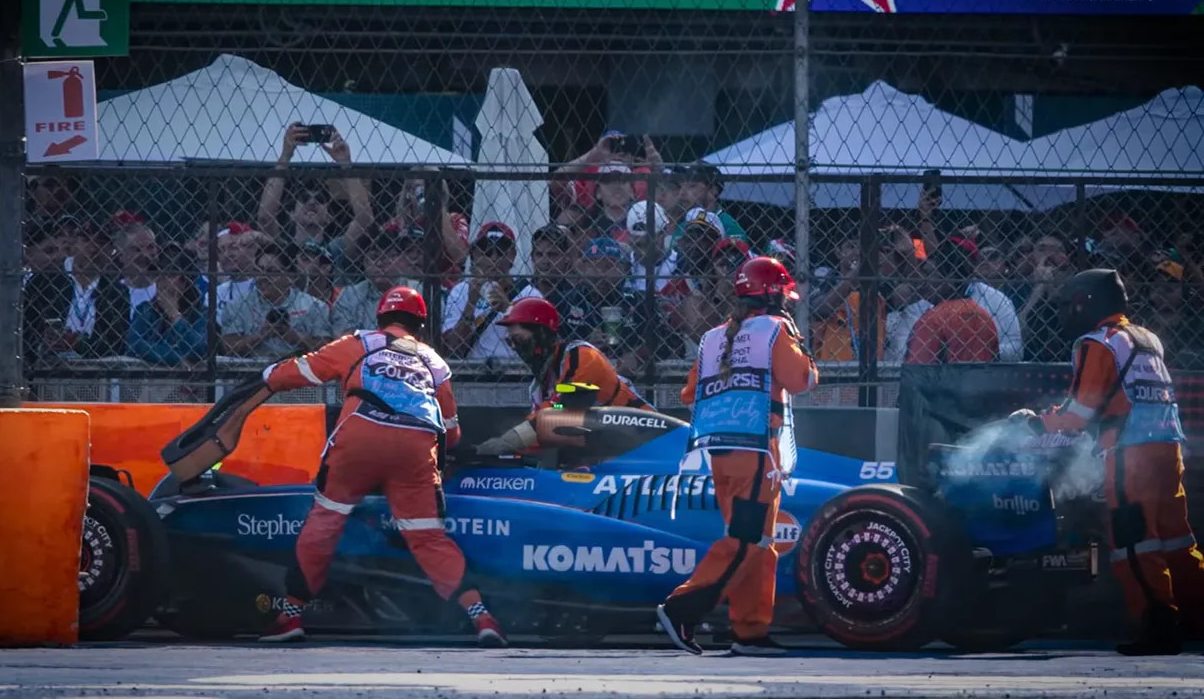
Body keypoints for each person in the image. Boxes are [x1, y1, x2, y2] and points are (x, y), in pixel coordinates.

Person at [257, 286, 508, 648]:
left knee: (326, 520)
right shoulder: (433, 360)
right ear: (420, 324)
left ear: (380, 319)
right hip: (416, 452)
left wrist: (265, 378)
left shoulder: (358, 343)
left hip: (358, 442)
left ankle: (290, 615)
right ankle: (481, 615)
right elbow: (452, 431)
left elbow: (303, 370)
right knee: (428, 538)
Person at [1009, 268, 1204, 656]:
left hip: (1130, 451)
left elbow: (1080, 413)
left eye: (1069, 304)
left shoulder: (1096, 343)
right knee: (1178, 539)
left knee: (1134, 540)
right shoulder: (1146, 338)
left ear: (1087, 303)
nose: (1066, 312)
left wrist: (1034, 424)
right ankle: (1196, 616)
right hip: (1168, 448)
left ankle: (1158, 625)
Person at [656, 257, 818, 657]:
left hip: (722, 452)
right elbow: (803, 380)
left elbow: (689, 394)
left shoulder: (712, 338)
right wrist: (799, 347)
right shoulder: (776, 330)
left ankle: (749, 631)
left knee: (761, 542)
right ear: (774, 294)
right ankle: (682, 607)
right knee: (748, 539)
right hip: (758, 453)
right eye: (784, 294)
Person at [472, 296, 652, 456]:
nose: (514, 346)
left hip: (646, 441)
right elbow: (544, 429)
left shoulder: (581, 356)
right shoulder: (539, 385)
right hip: (604, 449)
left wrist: (506, 443)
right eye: (510, 341)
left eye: (518, 338)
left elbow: (559, 409)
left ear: (540, 333)